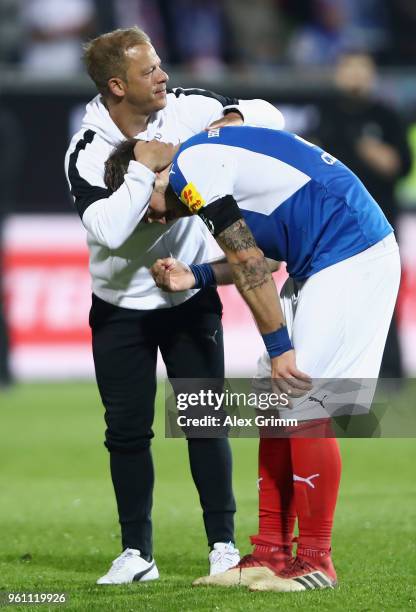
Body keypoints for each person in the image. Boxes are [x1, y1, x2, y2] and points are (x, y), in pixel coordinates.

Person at [108, 125, 400, 591]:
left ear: (151, 180)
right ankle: (270, 552)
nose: (156, 222)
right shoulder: (202, 168)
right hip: (318, 261)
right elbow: (258, 256)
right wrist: (197, 275)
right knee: (273, 405)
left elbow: (248, 264)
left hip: (352, 254)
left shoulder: (190, 170)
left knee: (304, 397)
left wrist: (280, 347)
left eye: (146, 211)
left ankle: (316, 561)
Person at [64, 26, 286, 585]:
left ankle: (223, 546)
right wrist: (145, 166)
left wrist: (230, 125)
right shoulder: (87, 147)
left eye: (160, 64)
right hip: (119, 305)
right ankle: (137, 553)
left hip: (187, 295)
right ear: (118, 86)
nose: (163, 76)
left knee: (204, 422)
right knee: (127, 433)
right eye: (149, 71)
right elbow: (111, 231)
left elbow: (267, 115)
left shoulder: (184, 110)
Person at [309, 52, 411, 380]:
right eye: (348, 67)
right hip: (333, 221)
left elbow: (398, 166)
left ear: (372, 75)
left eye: (361, 68)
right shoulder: (325, 114)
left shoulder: (386, 115)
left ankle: (390, 372)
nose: (354, 75)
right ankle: (336, 371)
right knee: (330, 295)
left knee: (382, 294)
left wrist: (369, 149)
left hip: (379, 223)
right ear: (338, 73)